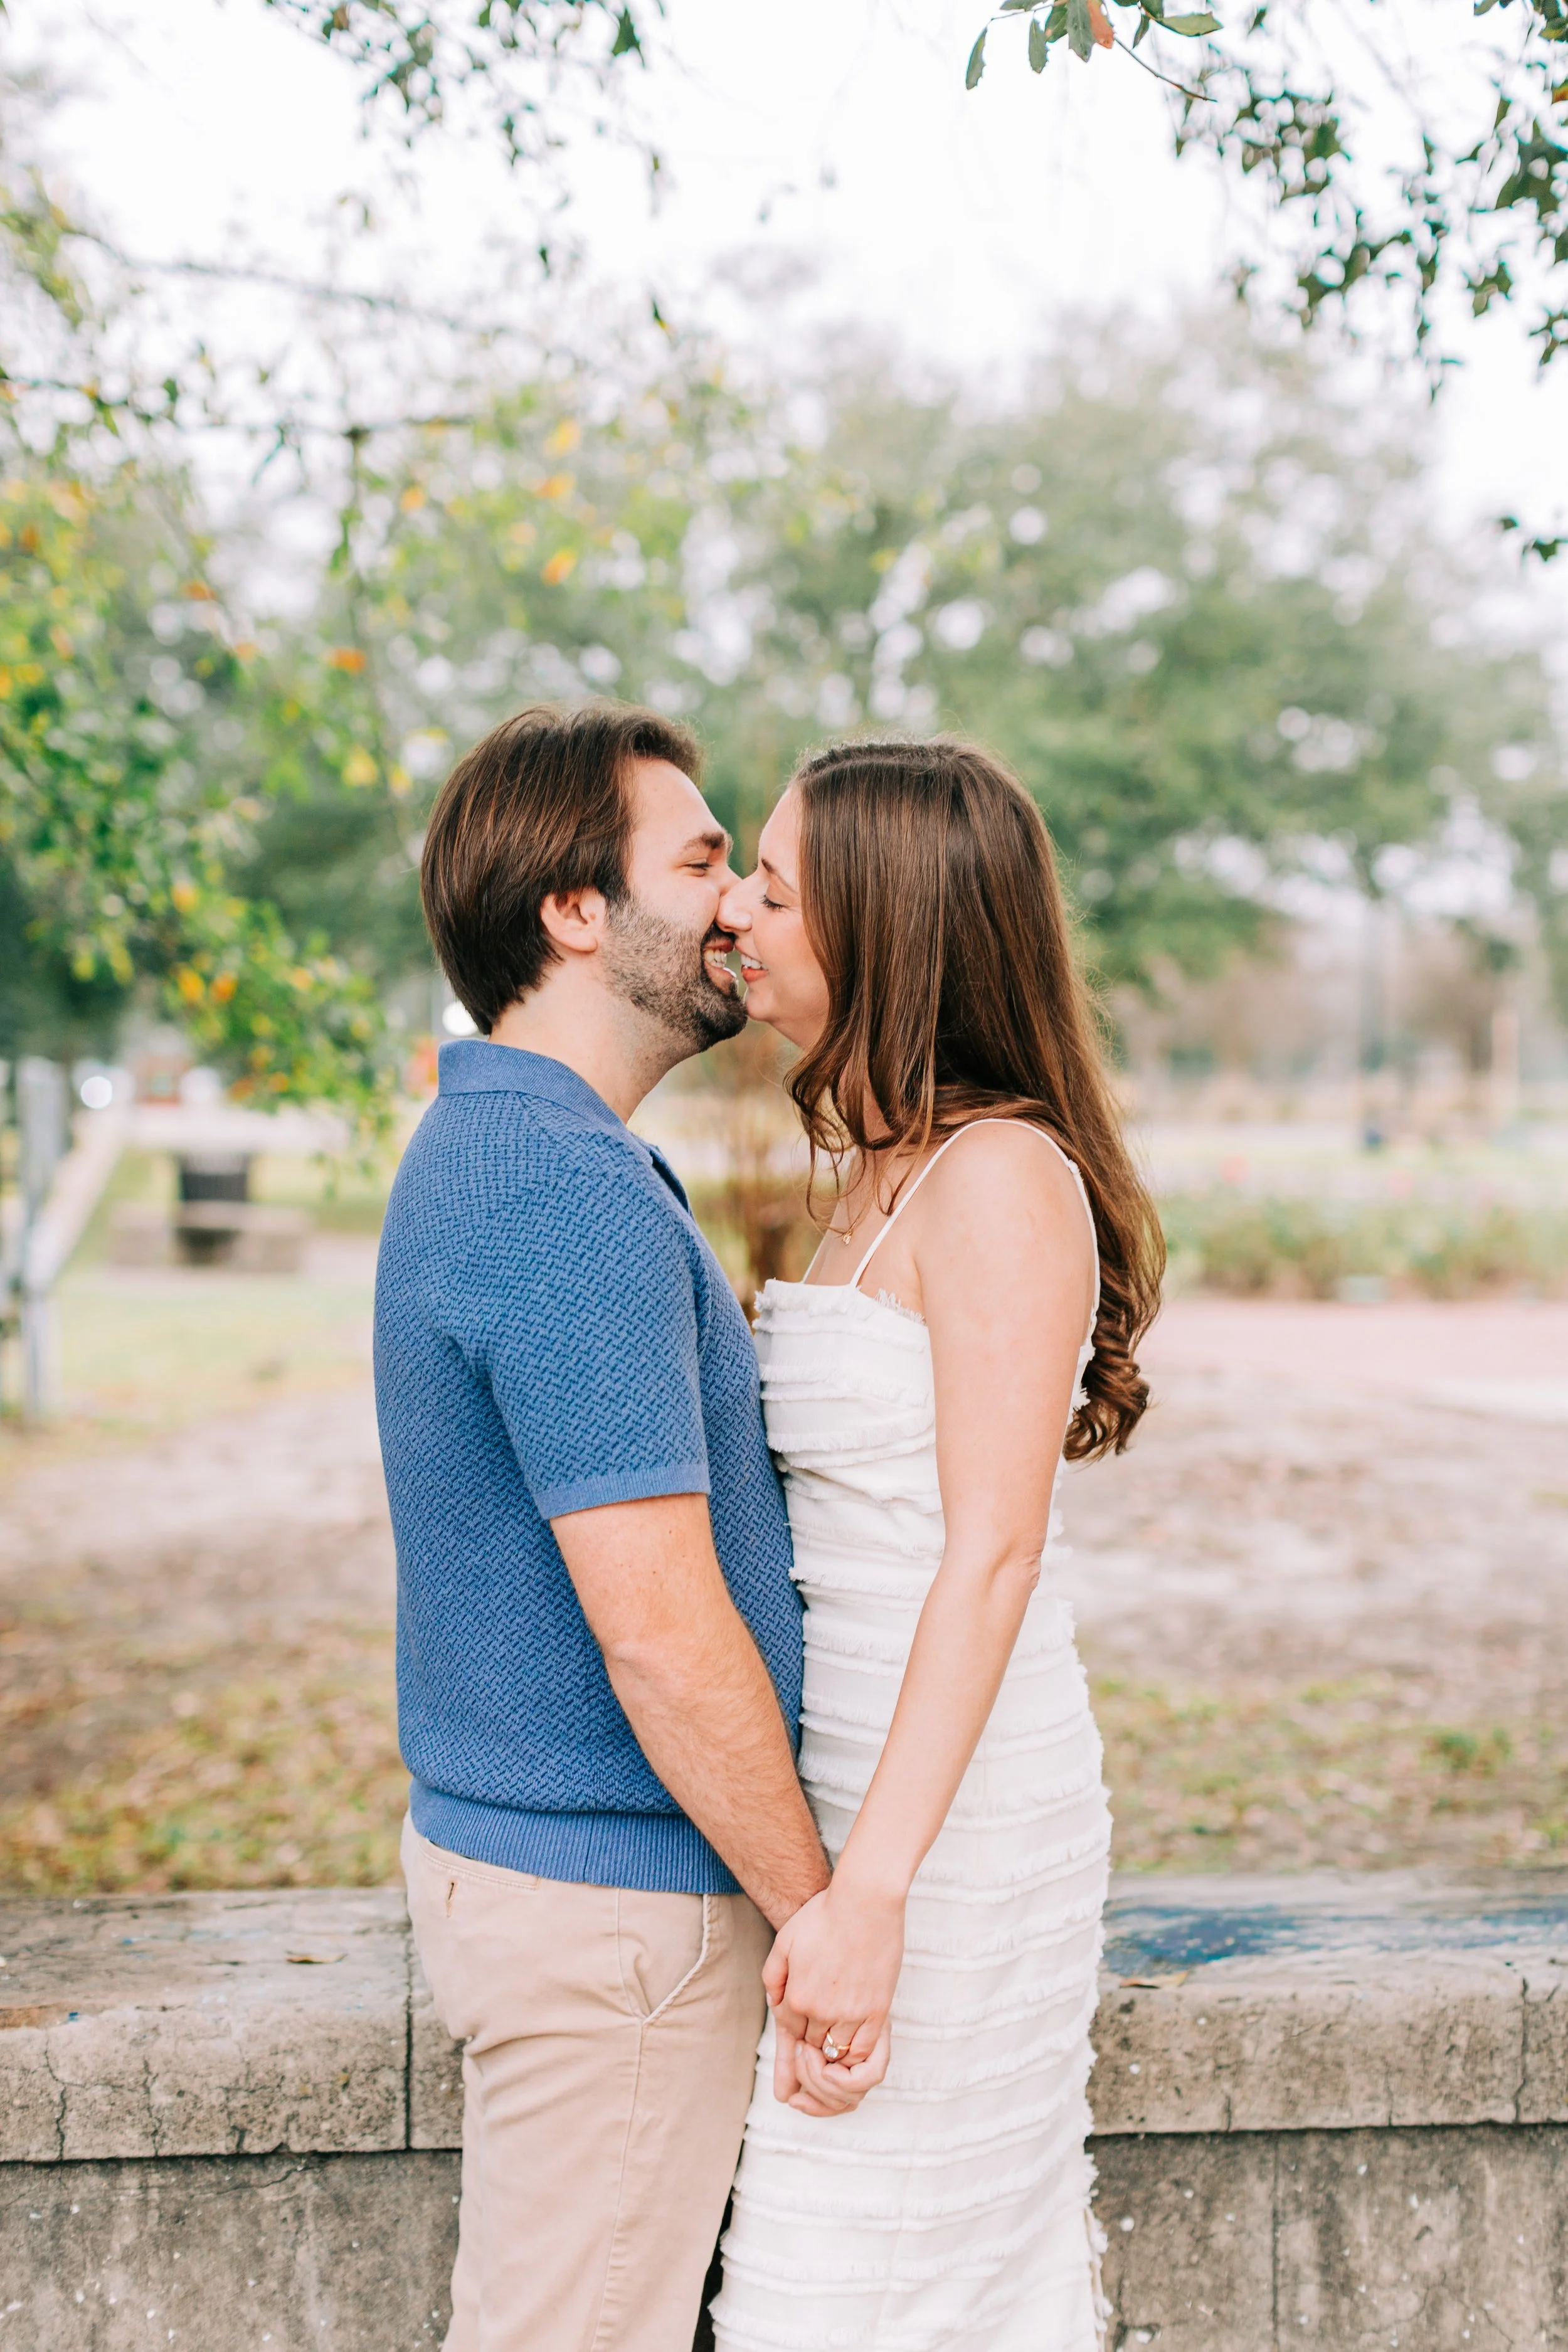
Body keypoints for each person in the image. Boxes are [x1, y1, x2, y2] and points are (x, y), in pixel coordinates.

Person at [374, 703, 831, 2352]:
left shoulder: (518, 1144)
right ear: (575, 907)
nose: (734, 901)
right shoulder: (560, 1185)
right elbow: (654, 1621)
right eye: (700, 859)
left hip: (561, 1888)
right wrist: (818, 1905)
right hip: (614, 1926)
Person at [710, 738, 1165, 2351]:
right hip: (846, 1786)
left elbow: (990, 1557)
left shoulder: (999, 1180)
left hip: (951, 1822)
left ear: (889, 928)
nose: (737, 918)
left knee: (859, 2287)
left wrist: (876, 1894)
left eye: (773, 888)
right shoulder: (871, 1170)